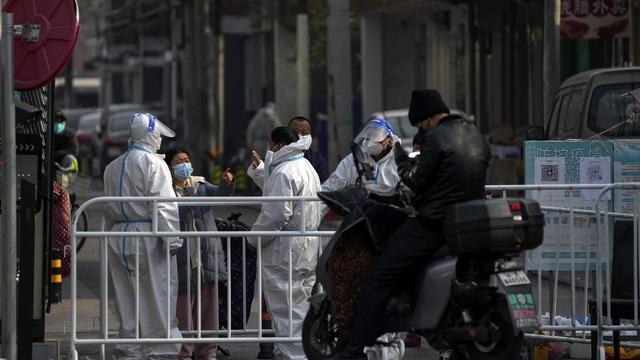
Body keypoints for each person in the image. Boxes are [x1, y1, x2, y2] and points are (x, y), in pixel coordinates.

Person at [337, 89, 491, 359]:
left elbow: (416, 181)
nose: (421, 127)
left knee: (377, 276)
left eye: (420, 123)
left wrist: (400, 160)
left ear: (429, 117)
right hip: (469, 224)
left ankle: (354, 348)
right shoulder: (475, 135)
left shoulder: (435, 138)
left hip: (435, 225)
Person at [103, 112, 184, 359]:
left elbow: (108, 207)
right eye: (157, 134)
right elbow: (163, 206)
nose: (159, 139)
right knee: (157, 294)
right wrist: (173, 239)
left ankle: (130, 347)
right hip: (149, 234)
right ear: (149, 135)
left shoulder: (112, 166)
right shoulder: (154, 164)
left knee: (127, 296)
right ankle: (161, 349)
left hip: (119, 234)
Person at [247, 127, 322, 360]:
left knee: (286, 307)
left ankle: (294, 355)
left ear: (279, 145)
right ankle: (294, 352)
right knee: (301, 304)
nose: (268, 148)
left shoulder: (284, 171)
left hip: (287, 248)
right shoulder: (305, 166)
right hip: (306, 244)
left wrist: (253, 238)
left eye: (270, 144)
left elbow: (277, 214)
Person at [165, 147, 235, 360]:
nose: (184, 164)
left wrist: (227, 183)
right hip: (183, 260)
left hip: (207, 258)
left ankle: (208, 354)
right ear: (169, 166)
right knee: (184, 311)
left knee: (208, 311)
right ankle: (185, 354)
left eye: (186, 159)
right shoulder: (166, 190)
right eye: (179, 161)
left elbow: (221, 195)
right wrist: (185, 202)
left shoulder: (200, 184)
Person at [321, 118, 400, 192]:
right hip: (361, 206)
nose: (370, 142)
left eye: (376, 136)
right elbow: (331, 187)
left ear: (389, 141)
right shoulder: (353, 160)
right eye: (368, 136)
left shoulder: (398, 161)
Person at [287, 116, 330, 182]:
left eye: (303, 133)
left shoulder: (318, 160)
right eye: (294, 132)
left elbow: (324, 185)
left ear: (310, 136)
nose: (299, 136)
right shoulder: (277, 156)